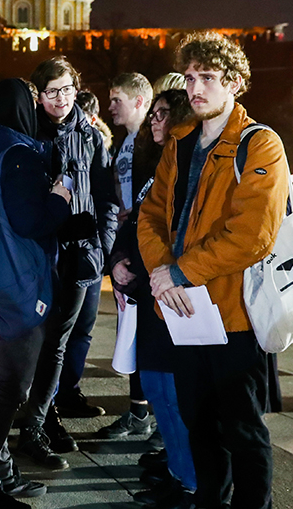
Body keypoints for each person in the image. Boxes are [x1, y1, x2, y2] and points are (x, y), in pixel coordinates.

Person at [140, 32, 289, 509]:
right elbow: (149, 216)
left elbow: (253, 235)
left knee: (242, 430)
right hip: (183, 311)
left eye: (208, 77)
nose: (195, 88)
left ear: (236, 82)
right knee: (197, 424)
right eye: (190, 77)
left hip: (235, 315)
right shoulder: (179, 144)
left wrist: (177, 273)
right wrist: (163, 272)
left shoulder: (259, 145)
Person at [0, 78, 72, 507]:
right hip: (18, 285)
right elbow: (30, 222)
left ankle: (0, 471)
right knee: (11, 388)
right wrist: (60, 198)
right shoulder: (20, 155)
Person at [15, 57, 118, 471]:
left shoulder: (91, 138)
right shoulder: (26, 134)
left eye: (66, 90)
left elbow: (108, 197)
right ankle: (34, 418)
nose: (59, 99)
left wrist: (104, 244)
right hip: (38, 254)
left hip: (80, 251)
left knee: (62, 341)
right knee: (33, 341)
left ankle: (41, 421)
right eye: (51, 91)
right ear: (38, 95)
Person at [112, 88, 198, 507]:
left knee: (175, 394)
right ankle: (178, 473)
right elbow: (136, 225)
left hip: (176, 294)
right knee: (157, 389)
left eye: (163, 114)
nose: (154, 121)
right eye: (154, 115)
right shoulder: (156, 163)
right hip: (149, 291)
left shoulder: (188, 161)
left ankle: (190, 482)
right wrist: (118, 260)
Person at [96, 72, 155, 439]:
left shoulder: (151, 143)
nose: (110, 106)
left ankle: (147, 415)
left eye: (117, 99)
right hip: (127, 246)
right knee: (132, 331)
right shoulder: (126, 142)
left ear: (138, 101)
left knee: (147, 334)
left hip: (143, 248)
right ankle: (138, 411)